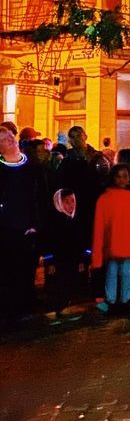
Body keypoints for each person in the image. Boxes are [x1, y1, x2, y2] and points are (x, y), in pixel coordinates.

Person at [91, 163, 130, 316]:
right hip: (115, 245)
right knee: (117, 273)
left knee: (120, 273)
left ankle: (120, 302)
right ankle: (118, 302)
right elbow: (99, 227)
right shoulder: (106, 198)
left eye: (125, 176)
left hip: (121, 245)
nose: (122, 180)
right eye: (119, 176)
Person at [0, 123, 43, 322]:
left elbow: (41, 196)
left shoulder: (32, 167)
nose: (9, 139)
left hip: (28, 229)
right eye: (3, 139)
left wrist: (36, 223)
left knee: (27, 271)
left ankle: (25, 307)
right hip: (6, 231)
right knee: (8, 271)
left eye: (9, 135)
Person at [58, 125, 110, 247]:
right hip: (73, 203)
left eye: (79, 136)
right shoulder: (66, 159)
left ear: (85, 137)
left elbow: (104, 179)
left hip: (93, 202)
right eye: (73, 137)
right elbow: (61, 180)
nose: (76, 140)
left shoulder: (97, 157)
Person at [42, 188, 87, 323]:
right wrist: (49, 261)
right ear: (59, 203)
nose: (71, 205)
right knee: (55, 285)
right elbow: (46, 242)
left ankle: (63, 308)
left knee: (67, 283)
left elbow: (79, 242)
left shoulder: (74, 220)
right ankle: (51, 311)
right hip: (57, 262)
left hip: (71, 260)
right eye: (66, 202)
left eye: (72, 201)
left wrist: (81, 259)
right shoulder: (53, 221)